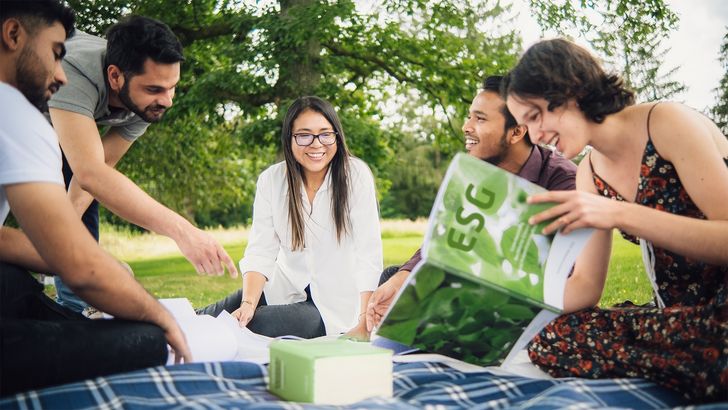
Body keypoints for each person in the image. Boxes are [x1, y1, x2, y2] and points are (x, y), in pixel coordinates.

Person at [502, 38, 728, 402]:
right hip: (680, 318)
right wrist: (509, 300)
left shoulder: (667, 122)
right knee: (554, 335)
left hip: (720, 311)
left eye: (535, 116)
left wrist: (620, 213)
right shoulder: (588, 174)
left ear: (569, 89)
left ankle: (694, 363)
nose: (536, 136)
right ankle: (695, 364)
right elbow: (586, 286)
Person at [0, 0, 191, 396]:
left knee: (19, 285)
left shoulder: (18, 116)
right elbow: (91, 175)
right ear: (13, 35)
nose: (61, 75)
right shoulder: (18, 113)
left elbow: (96, 175)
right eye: (56, 53)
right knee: (146, 340)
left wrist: (80, 256)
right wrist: (156, 313)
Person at [46, 15, 238, 314]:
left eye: (172, 87)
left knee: (88, 199)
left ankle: (75, 310)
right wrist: (183, 231)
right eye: (155, 89)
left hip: (58, 129)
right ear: (115, 77)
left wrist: (62, 232)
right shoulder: (73, 70)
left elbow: (102, 168)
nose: (168, 100)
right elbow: (91, 173)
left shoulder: (144, 103)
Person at [365, 75, 577, 331]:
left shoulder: (563, 182)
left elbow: (568, 275)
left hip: (525, 303)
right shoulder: (475, 175)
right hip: (473, 291)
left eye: (480, 119)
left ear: (517, 132)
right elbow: (444, 240)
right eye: (469, 117)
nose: (466, 127)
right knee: (393, 277)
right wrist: (404, 276)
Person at [199, 96, 383, 340]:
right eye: (304, 135)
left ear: (337, 137)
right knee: (209, 316)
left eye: (325, 134)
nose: (316, 144)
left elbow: (368, 254)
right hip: (282, 287)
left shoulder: (355, 175)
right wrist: (248, 303)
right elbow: (261, 250)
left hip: (332, 307)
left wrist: (363, 322)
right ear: (289, 138)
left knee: (259, 324)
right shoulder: (271, 180)